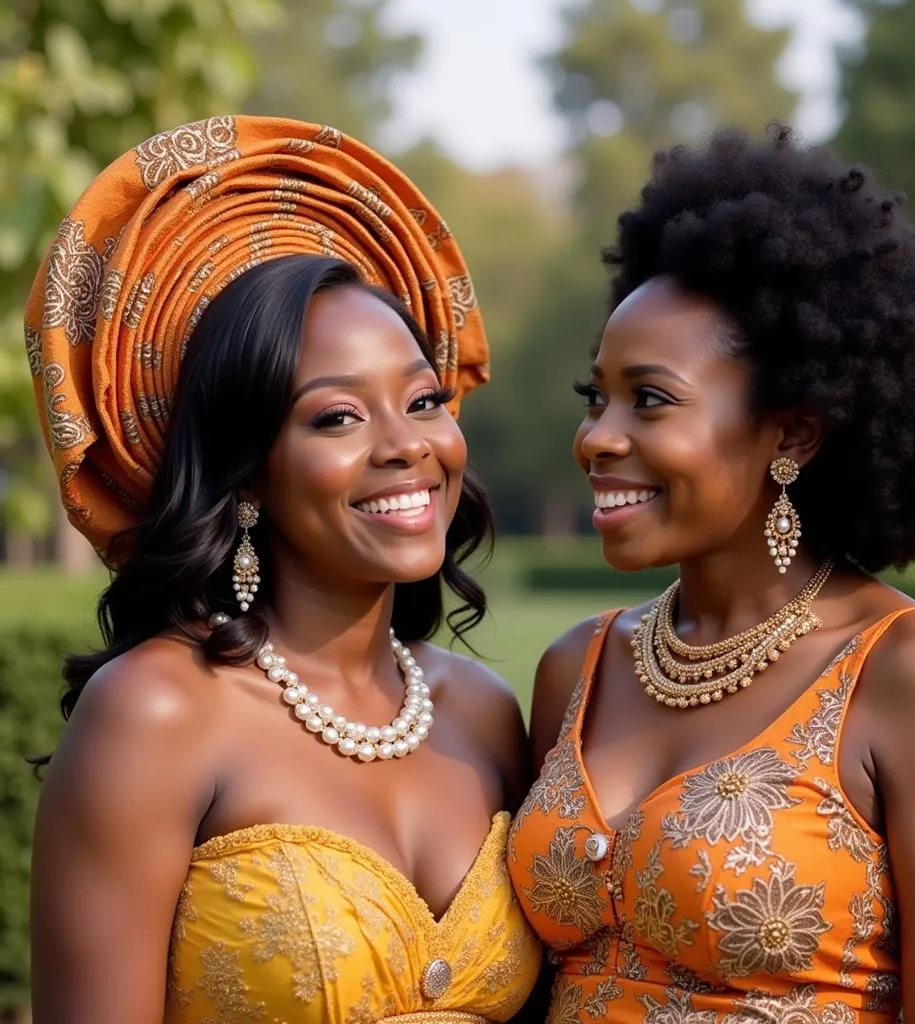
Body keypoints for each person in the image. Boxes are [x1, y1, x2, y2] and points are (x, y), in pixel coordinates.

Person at [27, 116, 540, 1024]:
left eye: (423, 400)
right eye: (337, 417)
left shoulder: (484, 712)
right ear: (250, 470)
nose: (405, 447)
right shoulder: (158, 712)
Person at [508, 125, 915, 1023]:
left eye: (652, 399)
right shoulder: (576, 670)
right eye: (598, 397)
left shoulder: (914, 674)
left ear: (791, 434)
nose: (598, 437)